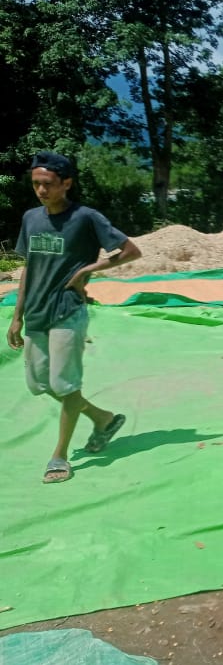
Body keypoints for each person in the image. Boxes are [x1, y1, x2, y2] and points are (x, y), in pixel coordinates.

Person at [6, 152, 142, 483]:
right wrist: (17, 315)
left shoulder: (85, 218)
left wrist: (87, 270)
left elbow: (130, 251)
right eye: (36, 184)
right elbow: (29, 269)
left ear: (66, 183)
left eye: (48, 184)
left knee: (64, 385)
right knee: (39, 384)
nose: (41, 190)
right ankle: (103, 418)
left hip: (67, 310)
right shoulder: (31, 218)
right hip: (36, 311)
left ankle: (60, 456)